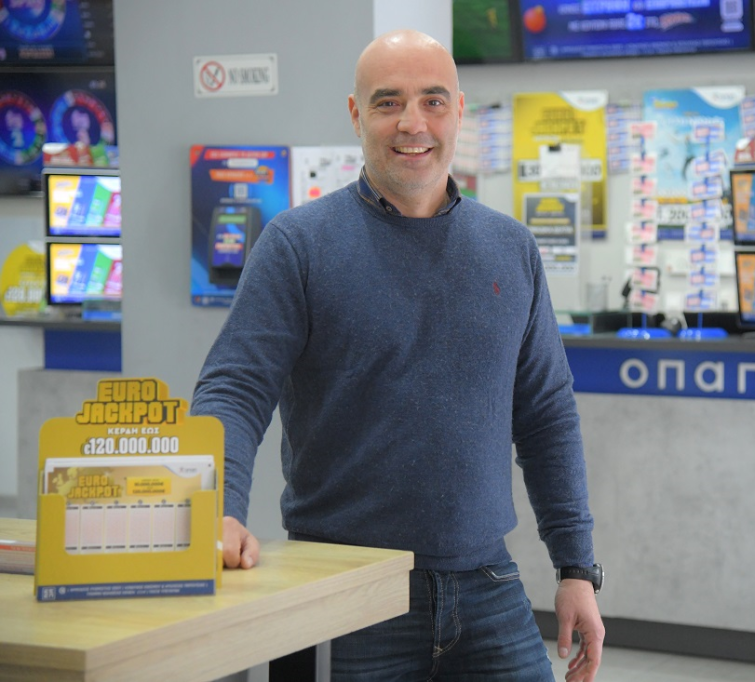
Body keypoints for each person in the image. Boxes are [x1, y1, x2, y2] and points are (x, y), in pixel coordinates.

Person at [191, 29, 604, 681]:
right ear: (356, 115)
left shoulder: (511, 249)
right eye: (388, 102)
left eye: (433, 101)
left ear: (459, 111)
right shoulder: (297, 245)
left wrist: (576, 567)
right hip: (341, 586)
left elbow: (547, 416)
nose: (413, 123)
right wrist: (217, 509)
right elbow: (233, 391)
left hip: (488, 586)